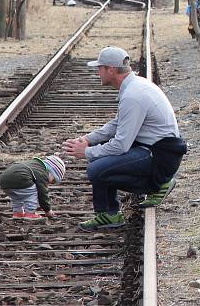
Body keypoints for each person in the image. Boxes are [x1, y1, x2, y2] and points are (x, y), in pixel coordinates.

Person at [62, 46, 186, 231]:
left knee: (96, 169)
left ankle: (157, 185)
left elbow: (120, 145)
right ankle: (108, 213)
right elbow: (117, 124)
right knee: (101, 157)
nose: (97, 73)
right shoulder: (135, 87)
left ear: (111, 69)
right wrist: (88, 139)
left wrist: (87, 152)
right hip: (156, 150)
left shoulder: (133, 96)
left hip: (160, 156)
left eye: (99, 68)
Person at [0, 155, 65, 219]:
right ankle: (30, 213)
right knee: (32, 193)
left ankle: (17, 213)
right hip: (20, 177)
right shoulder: (42, 172)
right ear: (50, 171)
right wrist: (47, 210)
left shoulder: (34, 164)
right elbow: (43, 193)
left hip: (4, 181)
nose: (50, 183)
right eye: (53, 180)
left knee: (17, 197)